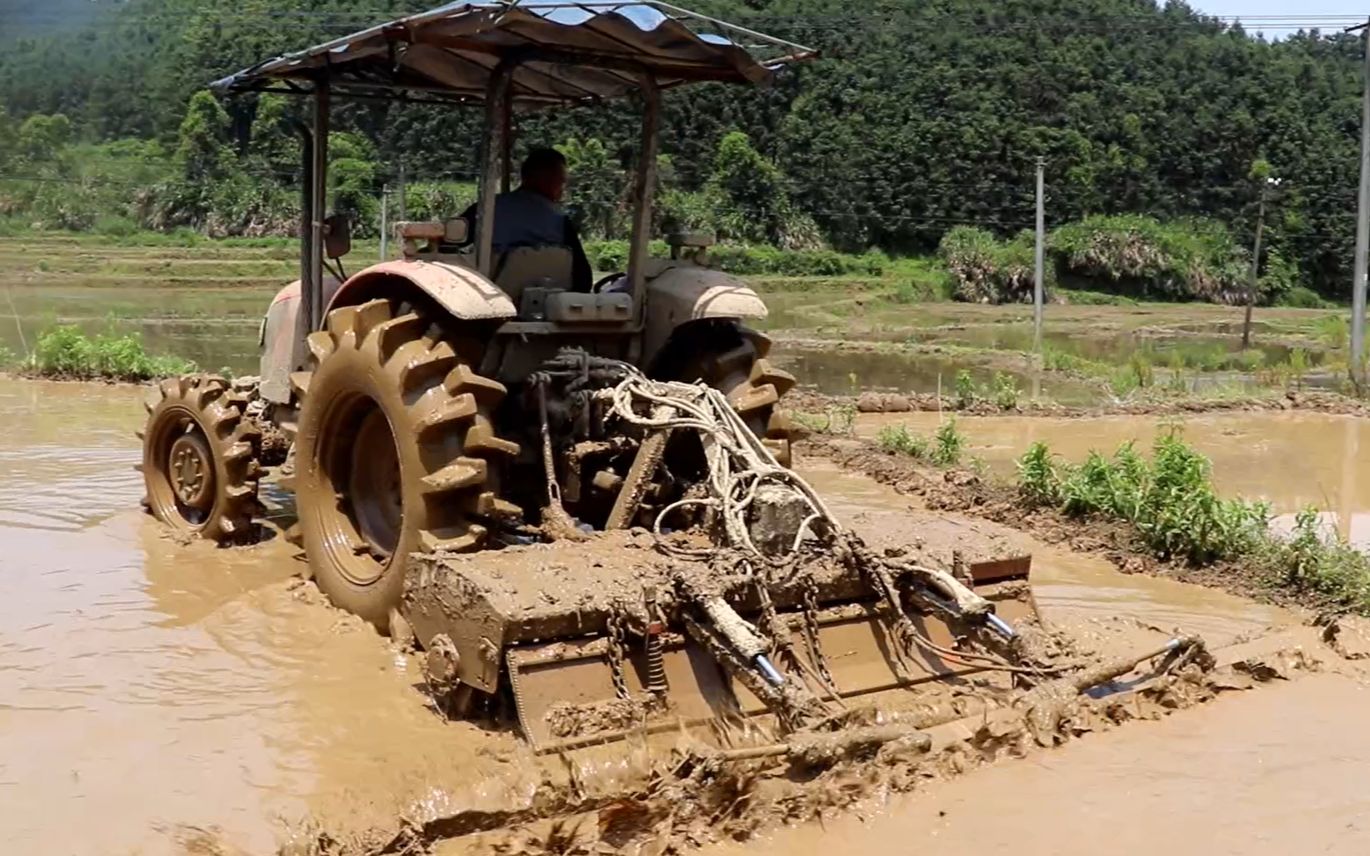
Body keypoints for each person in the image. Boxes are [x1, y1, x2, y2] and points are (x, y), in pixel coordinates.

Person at [461, 147, 592, 292]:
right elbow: (583, 279)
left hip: (490, 295)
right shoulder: (561, 222)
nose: (562, 190)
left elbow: (446, 245)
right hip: (545, 305)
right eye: (560, 182)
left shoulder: (485, 210)